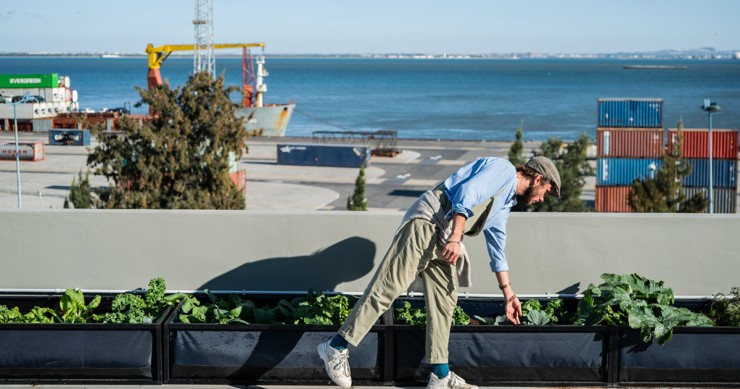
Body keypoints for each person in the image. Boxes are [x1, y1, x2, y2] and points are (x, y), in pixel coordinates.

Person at [317, 156, 560, 389]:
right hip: (427, 223)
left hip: (445, 238)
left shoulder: (506, 201)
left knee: (445, 299)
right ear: (538, 179)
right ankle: (336, 347)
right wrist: (456, 237)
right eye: (548, 191)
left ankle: (440, 375)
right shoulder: (503, 170)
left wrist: (509, 294)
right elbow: (467, 193)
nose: (544, 198)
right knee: (388, 287)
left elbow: (497, 246)